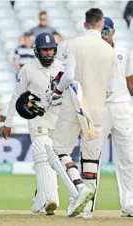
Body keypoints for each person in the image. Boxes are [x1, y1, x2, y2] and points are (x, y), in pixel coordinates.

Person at [45, 8, 116, 217]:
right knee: (91, 159)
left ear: (85, 24)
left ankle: (78, 188)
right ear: (101, 25)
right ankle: (87, 211)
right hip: (99, 108)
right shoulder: (109, 51)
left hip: (75, 102)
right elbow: (110, 89)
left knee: (57, 150)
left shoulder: (73, 44)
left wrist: (56, 91)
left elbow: (68, 75)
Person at [2, 32, 64, 215]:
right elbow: (16, 96)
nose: (48, 53)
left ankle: (39, 200)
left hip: (58, 119)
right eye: (44, 50)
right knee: (44, 154)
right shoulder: (27, 69)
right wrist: (8, 122)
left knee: (55, 159)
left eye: (51, 49)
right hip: (36, 117)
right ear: (37, 51)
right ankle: (51, 199)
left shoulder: (62, 67)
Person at [80, 17, 133, 218]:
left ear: (113, 31)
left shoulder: (124, 52)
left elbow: (131, 83)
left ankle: (129, 204)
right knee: (92, 157)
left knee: (128, 158)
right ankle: (87, 205)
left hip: (121, 108)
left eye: (107, 30)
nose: (104, 33)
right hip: (98, 108)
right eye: (101, 30)